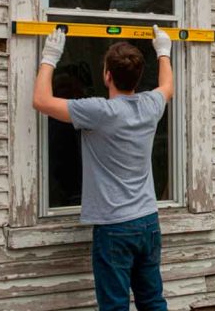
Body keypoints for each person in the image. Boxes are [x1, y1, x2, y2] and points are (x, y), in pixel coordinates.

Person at [32, 25, 174, 311]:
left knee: (114, 306)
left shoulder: (99, 111)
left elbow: (41, 101)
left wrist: (49, 56)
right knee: (153, 301)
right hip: (148, 221)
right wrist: (164, 51)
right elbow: (167, 86)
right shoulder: (151, 105)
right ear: (137, 77)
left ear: (107, 75)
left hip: (114, 227)